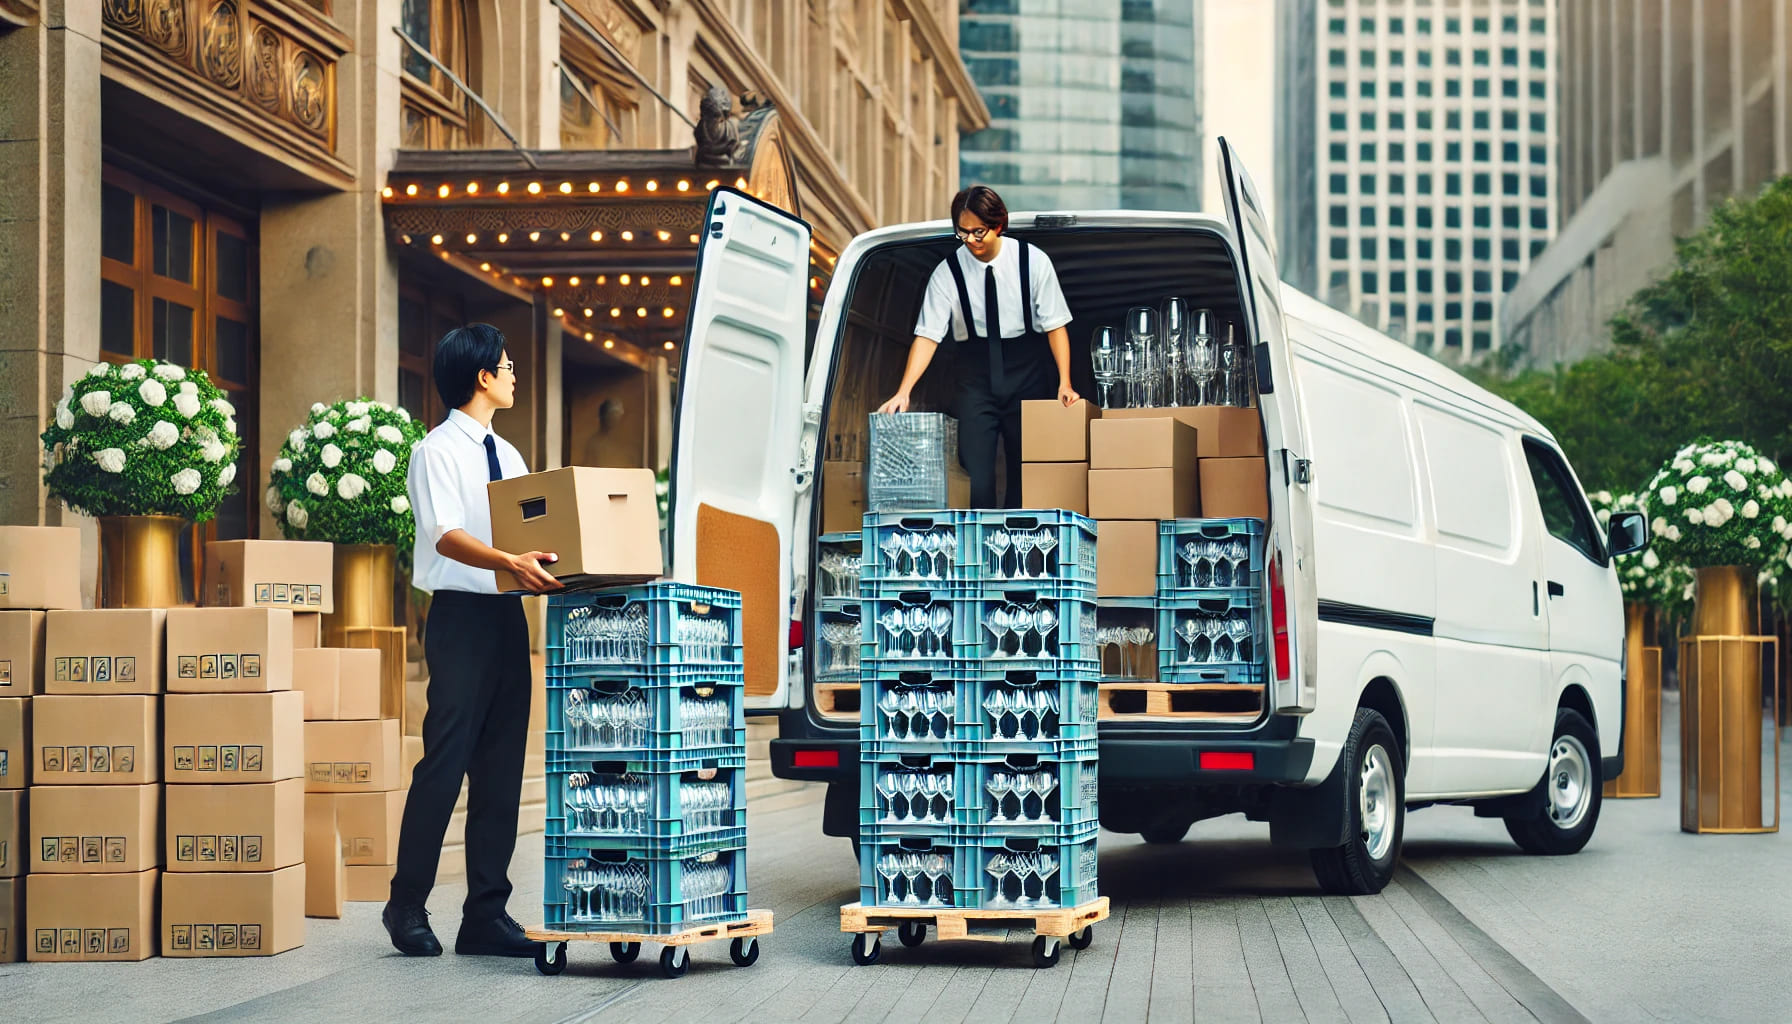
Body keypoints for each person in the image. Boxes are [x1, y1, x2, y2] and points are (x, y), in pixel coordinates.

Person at [383, 323, 563, 958]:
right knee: (444, 763)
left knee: (502, 770)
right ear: (482, 376)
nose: (514, 374)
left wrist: (545, 565)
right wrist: (509, 561)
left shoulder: (508, 456)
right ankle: (406, 905)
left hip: (508, 618)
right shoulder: (436, 451)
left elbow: (526, 533)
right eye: (508, 365)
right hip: (459, 617)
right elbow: (444, 534)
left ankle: (485, 915)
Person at [876, 185, 1079, 508]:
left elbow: (1056, 326)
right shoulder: (947, 273)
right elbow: (927, 336)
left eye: (978, 232)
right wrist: (904, 391)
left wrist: (1064, 382)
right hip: (975, 379)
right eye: (963, 233)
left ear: (999, 225)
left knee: (1026, 473)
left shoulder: (1033, 262)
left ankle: (1019, 547)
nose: (970, 241)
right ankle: (981, 552)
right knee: (976, 478)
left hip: (1026, 374)